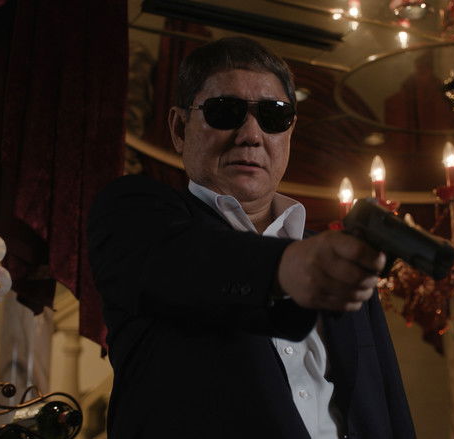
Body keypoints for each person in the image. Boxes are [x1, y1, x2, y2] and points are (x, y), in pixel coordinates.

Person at [88, 37, 416, 439]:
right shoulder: (132, 216)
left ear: (290, 131)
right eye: (225, 112)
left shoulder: (332, 258)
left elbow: (387, 401)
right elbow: (188, 262)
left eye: (273, 116)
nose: (251, 135)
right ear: (179, 128)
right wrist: (286, 268)